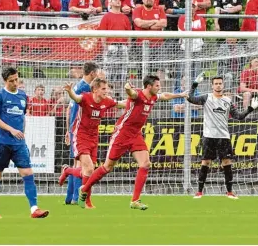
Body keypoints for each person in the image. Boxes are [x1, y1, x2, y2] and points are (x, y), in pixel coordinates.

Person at [77, 75, 188, 210]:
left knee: (145, 163)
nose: (160, 88)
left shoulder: (153, 97)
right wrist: (127, 88)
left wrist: (181, 95)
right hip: (122, 134)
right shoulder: (138, 96)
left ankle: (135, 200)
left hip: (136, 134)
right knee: (107, 167)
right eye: (157, 86)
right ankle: (85, 189)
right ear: (149, 86)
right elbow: (132, 94)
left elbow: (164, 95)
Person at [0, 67, 49, 218]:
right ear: (5, 81)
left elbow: (22, 116)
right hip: (1, 142)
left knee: (28, 173)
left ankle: (34, 209)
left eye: (16, 79)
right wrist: (12, 130)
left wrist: (22, 132)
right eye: (11, 81)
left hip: (18, 143)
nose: (15, 83)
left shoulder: (22, 95)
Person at [187, 74, 258, 198]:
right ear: (212, 85)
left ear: (223, 85)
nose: (218, 85)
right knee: (206, 162)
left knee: (226, 162)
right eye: (216, 83)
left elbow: (239, 117)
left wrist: (250, 108)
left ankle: (229, 192)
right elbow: (190, 98)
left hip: (223, 137)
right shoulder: (206, 98)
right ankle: (199, 191)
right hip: (209, 136)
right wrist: (194, 84)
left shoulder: (228, 101)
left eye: (220, 83)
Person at [58, 78, 125, 208]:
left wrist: (135, 99)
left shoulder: (107, 101)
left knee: (87, 172)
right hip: (80, 136)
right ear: (95, 89)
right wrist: (70, 91)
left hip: (94, 138)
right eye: (104, 89)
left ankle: (67, 171)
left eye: (107, 88)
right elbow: (76, 98)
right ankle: (87, 201)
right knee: (89, 168)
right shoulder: (85, 98)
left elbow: (121, 104)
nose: (107, 91)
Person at [64, 62, 99, 204]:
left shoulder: (77, 85)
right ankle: (76, 197)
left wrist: (68, 130)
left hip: (74, 129)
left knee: (76, 163)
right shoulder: (86, 88)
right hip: (80, 130)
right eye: (97, 73)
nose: (97, 76)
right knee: (82, 165)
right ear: (92, 73)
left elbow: (68, 109)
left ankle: (70, 197)